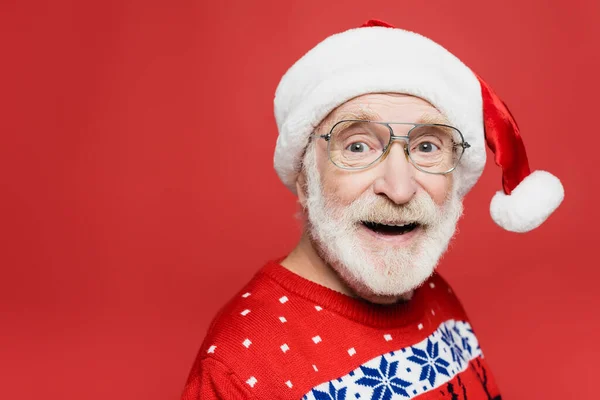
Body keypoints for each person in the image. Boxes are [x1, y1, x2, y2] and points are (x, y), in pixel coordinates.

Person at [181, 20, 564, 400]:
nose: (399, 189)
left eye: (427, 147)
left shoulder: (433, 292)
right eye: (358, 146)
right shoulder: (239, 367)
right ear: (305, 179)